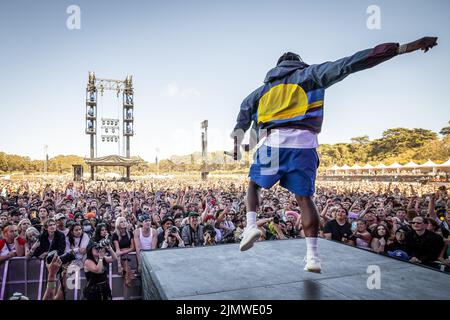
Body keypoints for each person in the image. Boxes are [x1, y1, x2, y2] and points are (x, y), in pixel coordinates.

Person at [231, 36, 438, 273]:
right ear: (299, 63)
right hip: (305, 146)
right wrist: (401, 49)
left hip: (273, 145)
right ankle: (313, 257)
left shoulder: (260, 92)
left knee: (254, 185)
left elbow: (244, 120)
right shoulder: (312, 74)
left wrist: (240, 146)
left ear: (276, 68)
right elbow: (350, 63)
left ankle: (250, 226)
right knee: (304, 200)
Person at [112, 217, 136, 286]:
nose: (123, 223)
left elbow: (133, 247)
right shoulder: (115, 234)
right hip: (121, 257)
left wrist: (124, 251)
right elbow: (117, 250)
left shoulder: (130, 233)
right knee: (125, 260)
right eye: (121, 222)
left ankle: (128, 278)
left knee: (125, 258)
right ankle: (130, 277)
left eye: (125, 221)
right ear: (118, 224)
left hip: (127, 254)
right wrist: (123, 251)